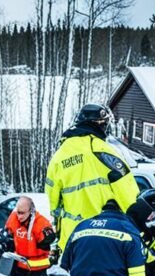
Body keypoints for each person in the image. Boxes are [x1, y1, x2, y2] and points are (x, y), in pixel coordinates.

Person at [46, 103, 140, 251]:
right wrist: (137, 219)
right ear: (101, 125)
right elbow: (127, 190)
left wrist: (59, 231)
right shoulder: (103, 151)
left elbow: (53, 203)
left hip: (72, 237)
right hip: (105, 235)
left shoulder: (58, 156)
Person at [0, 196, 56, 276]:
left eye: (22, 213)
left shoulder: (41, 223)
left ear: (31, 211)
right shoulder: (14, 217)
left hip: (37, 268)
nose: (19, 216)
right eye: (18, 212)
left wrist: (48, 239)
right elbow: (7, 232)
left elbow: (48, 238)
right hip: (19, 264)